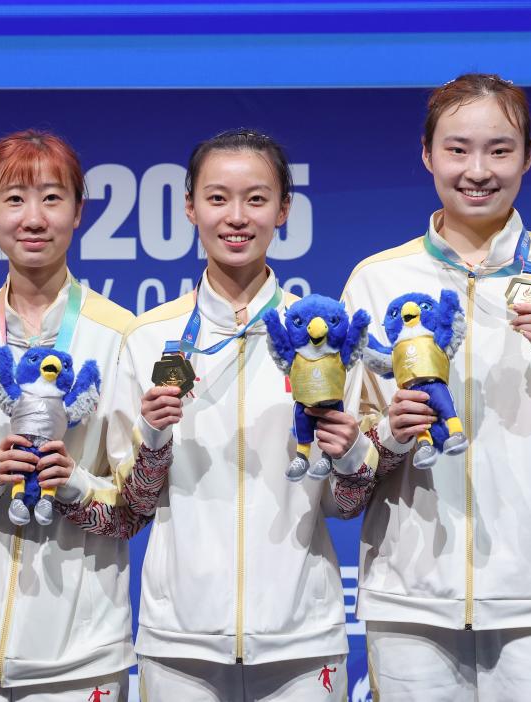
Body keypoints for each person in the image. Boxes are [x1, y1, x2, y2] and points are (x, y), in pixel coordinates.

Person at [340, 73, 531, 701]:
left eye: (499, 150)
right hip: (410, 599)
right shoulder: (375, 279)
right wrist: (392, 432)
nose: (478, 170)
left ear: (528, 157)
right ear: (427, 154)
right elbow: (346, 469)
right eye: (457, 149)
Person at [115, 129, 387, 701]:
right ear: (190, 207)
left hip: (302, 640)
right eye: (217, 198)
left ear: (283, 209)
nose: (236, 217)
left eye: (256, 199)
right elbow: (132, 506)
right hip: (179, 643)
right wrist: (154, 437)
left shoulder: (325, 335)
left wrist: (351, 455)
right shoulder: (147, 338)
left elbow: (344, 504)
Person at [0, 129, 157, 701]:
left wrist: (75, 484)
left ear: (79, 211)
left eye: (52, 198)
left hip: (81, 650)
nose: (33, 218)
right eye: (14, 199)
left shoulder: (123, 337)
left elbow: (138, 503)